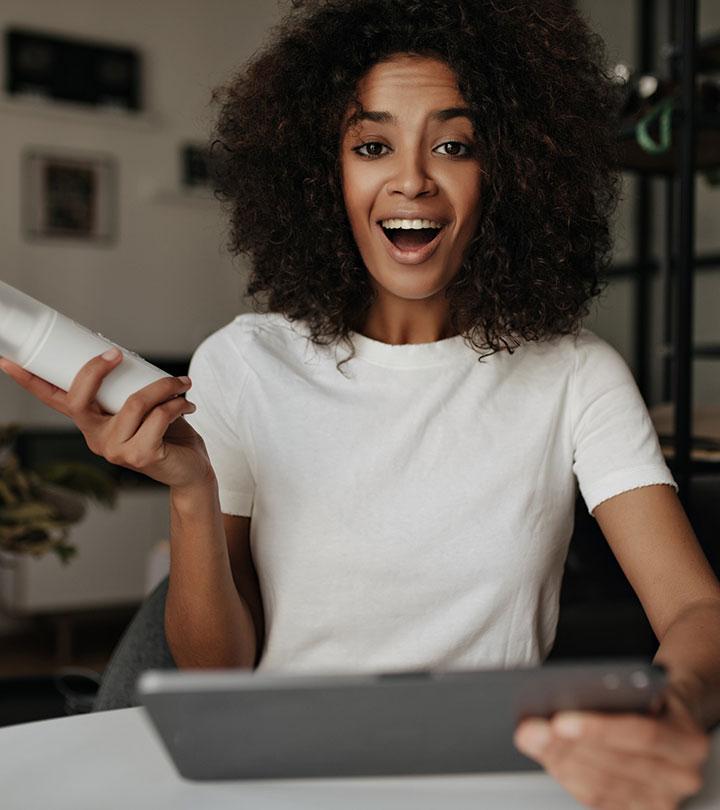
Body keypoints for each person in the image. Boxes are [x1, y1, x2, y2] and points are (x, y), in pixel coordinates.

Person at [1, 0, 718, 806]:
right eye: (372, 146)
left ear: (511, 174)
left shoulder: (576, 374)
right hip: (280, 781)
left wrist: (674, 706)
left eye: (455, 145)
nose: (411, 178)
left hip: (486, 783)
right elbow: (216, 674)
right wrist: (192, 489)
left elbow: (695, 607)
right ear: (324, 175)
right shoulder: (244, 363)